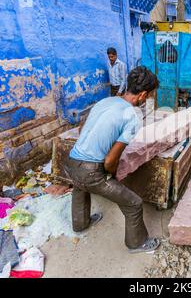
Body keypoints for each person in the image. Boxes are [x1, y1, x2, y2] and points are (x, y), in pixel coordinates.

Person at [64, 66, 160, 254]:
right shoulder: (133, 116)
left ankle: (80, 224)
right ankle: (137, 243)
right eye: (148, 97)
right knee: (133, 203)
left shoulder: (106, 101)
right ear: (142, 94)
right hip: (91, 172)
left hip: (71, 162)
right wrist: (111, 176)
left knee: (79, 187)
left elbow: (81, 130)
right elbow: (109, 162)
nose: (146, 100)